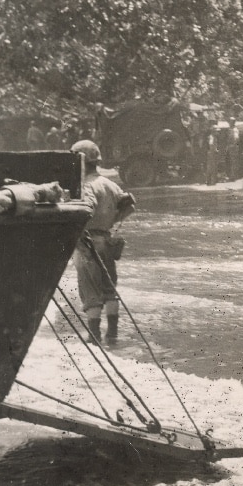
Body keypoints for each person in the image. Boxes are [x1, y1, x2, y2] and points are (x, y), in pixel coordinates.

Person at [71, 139, 136, 346]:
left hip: (87, 242)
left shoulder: (86, 186)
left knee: (90, 291)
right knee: (109, 290)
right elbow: (129, 206)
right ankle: (113, 334)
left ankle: (94, 336)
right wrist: (112, 222)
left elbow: (86, 209)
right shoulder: (110, 183)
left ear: (80, 162)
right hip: (106, 240)